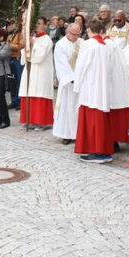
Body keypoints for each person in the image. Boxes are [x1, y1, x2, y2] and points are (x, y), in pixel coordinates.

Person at [73, 19, 113, 163]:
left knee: (92, 120)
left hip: (90, 87)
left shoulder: (88, 45)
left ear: (89, 31)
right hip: (102, 88)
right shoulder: (106, 46)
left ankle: (96, 151)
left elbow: (80, 66)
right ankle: (104, 151)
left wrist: (76, 86)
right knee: (101, 120)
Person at [19, 17, 54, 131]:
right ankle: (28, 120)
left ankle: (41, 121)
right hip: (30, 69)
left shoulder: (47, 39)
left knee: (39, 93)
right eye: (36, 24)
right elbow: (24, 59)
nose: (37, 26)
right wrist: (26, 45)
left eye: (39, 23)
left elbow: (40, 57)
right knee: (28, 92)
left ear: (44, 25)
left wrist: (33, 43)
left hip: (41, 70)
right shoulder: (32, 38)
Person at [52, 23, 83, 144]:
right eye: (73, 34)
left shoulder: (82, 42)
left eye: (78, 34)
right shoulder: (61, 45)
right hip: (68, 83)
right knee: (67, 108)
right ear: (67, 32)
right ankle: (66, 134)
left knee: (77, 109)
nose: (76, 37)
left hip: (81, 82)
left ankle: (78, 133)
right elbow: (61, 64)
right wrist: (71, 78)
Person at [6, 20, 24, 110]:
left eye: (11, 24)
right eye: (8, 24)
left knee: (19, 81)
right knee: (11, 80)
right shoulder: (9, 35)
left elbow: (21, 46)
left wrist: (9, 46)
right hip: (10, 60)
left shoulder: (21, 34)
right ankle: (14, 101)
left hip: (17, 60)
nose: (9, 26)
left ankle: (20, 102)